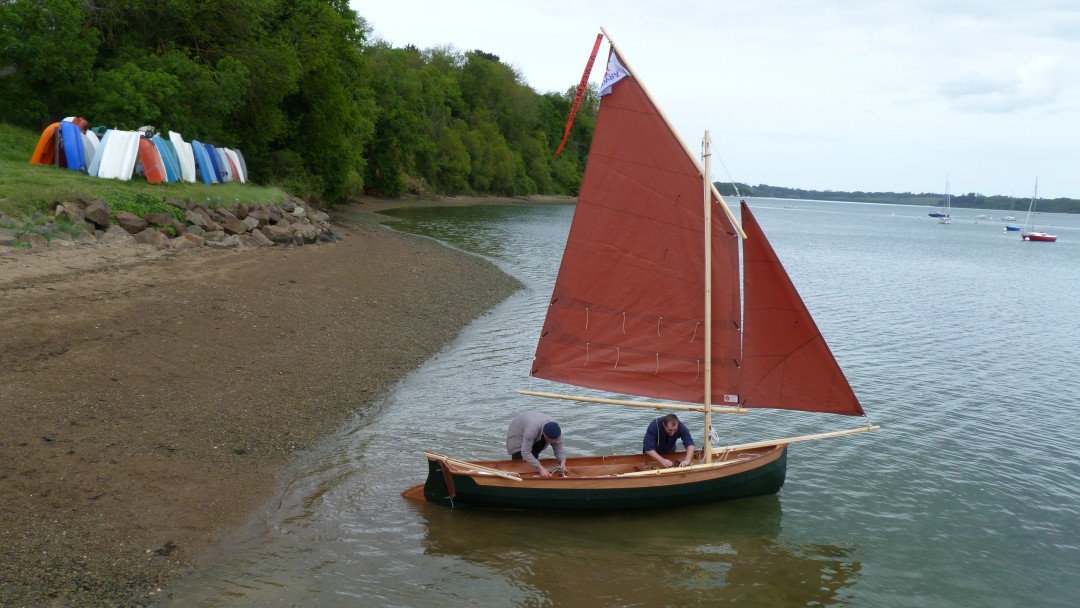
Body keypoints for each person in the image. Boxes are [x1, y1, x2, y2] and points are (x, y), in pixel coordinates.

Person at [505, 410, 569, 477]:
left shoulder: (556, 431)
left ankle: (534, 474)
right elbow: (525, 452)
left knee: (534, 455)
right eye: (551, 440)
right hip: (518, 430)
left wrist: (562, 461)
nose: (553, 442)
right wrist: (541, 469)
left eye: (555, 439)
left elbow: (559, 449)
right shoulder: (532, 430)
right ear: (544, 434)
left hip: (534, 426)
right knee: (519, 458)